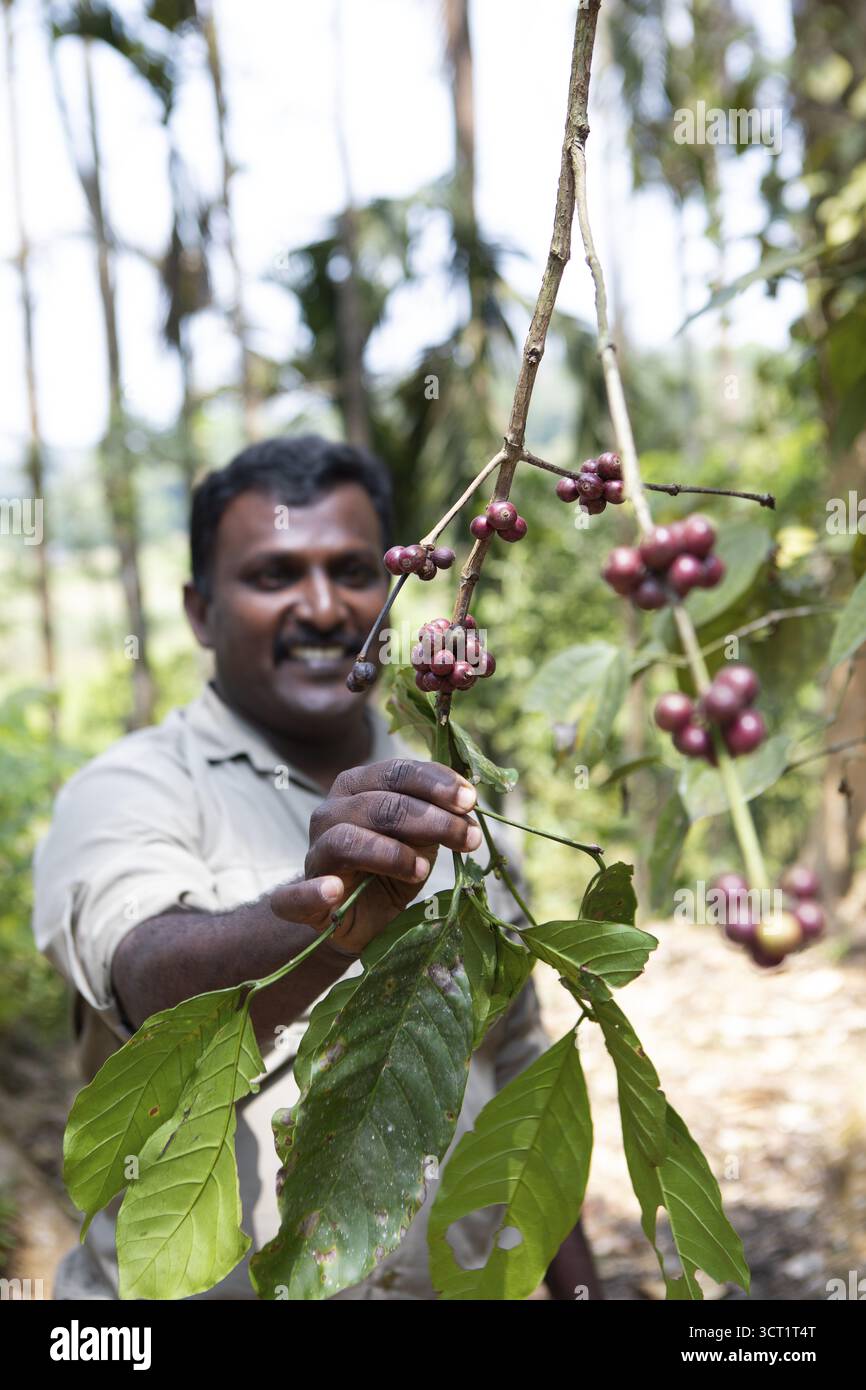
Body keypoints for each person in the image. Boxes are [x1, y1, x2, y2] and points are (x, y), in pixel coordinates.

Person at [33, 434, 601, 1301]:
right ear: (198, 610)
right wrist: (319, 926)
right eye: (273, 576)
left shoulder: (455, 793)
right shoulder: (127, 788)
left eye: (354, 570)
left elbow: (517, 1069)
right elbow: (143, 975)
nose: (325, 606)